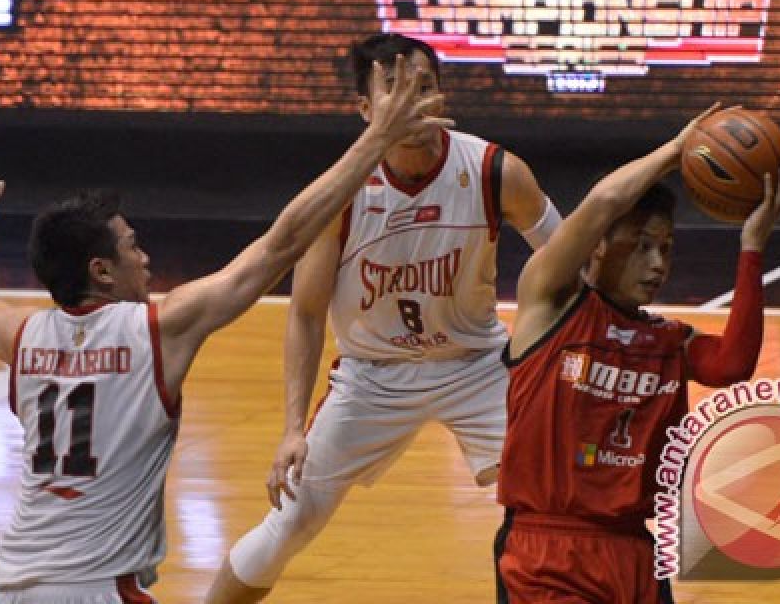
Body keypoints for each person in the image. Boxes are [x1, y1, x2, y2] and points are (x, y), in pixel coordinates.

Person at [0, 56, 448, 604]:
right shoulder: (156, 331)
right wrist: (376, 140)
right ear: (102, 271)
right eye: (132, 247)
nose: (144, 259)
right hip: (101, 591)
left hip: (9, 588)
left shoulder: (24, 338)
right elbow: (280, 244)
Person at [206, 33, 561, 604]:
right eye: (394, 89)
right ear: (367, 110)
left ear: (442, 97)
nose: (412, 103)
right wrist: (292, 428)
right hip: (372, 375)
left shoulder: (496, 170)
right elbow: (304, 314)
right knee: (291, 523)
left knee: (552, 503)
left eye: (424, 87)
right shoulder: (341, 195)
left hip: (475, 366)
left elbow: (567, 259)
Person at [493, 106, 780, 603]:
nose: (658, 264)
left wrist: (752, 247)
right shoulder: (551, 302)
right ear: (596, 246)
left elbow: (733, 363)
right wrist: (678, 151)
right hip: (547, 552)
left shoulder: (667, 340)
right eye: (641, 246)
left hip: (634, 551)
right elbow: (603, 202)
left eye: (666, 248)